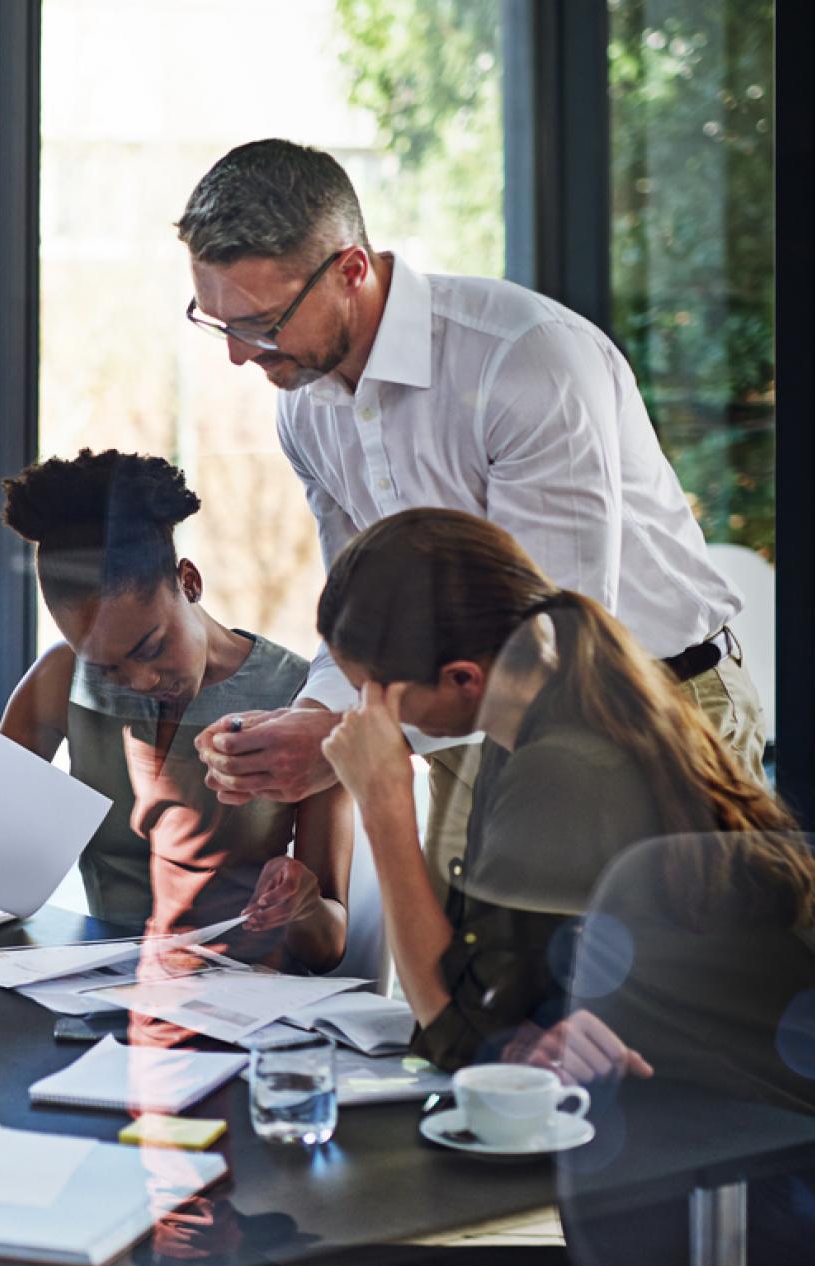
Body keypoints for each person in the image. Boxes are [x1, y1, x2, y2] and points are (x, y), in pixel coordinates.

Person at [173, 138, 761, 899]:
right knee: (458, 998)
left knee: (658, 1004)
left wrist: (352, 742)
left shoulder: (524, 361)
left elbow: (558, 638)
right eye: (217, 322)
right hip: (462, 727)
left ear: (352, 268)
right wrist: (308, 719)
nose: (239, 357)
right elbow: (360, 622)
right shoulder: (306, 409)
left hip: (647, 709)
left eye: (261, 322)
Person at [0, 450, 350, 973]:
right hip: (91, 988)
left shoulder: (304, 701)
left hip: (246, 1003)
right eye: (106, 667)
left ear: (189, 581)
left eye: (151, 648)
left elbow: (327, 947)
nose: (140, 681)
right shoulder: (60, 680)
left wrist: (300, 902)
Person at [314, 506, 807, 1071]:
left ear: (462, 678)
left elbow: (459, 1033)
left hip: (724, 1111)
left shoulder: (563, 768)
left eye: (373, 693)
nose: (364, 714)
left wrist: (384, 802)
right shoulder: (543, 719)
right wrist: (502, 1030)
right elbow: (488, 1002)